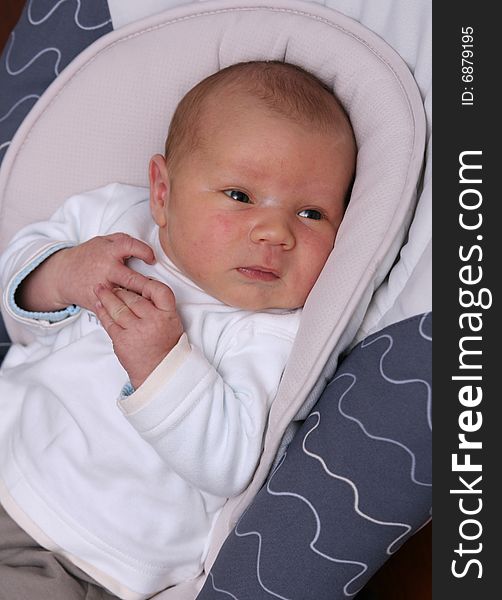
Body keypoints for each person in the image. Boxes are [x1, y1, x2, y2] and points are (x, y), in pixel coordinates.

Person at [0, 61, 356, 600]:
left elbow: (229, 463)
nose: (274, 231)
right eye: (240, 195)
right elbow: (16, 276)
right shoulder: (119, 219)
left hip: (87, 556)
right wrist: (63, 271)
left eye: (311, 213)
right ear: (162, 193)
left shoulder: (273, 335)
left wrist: (162, 362)